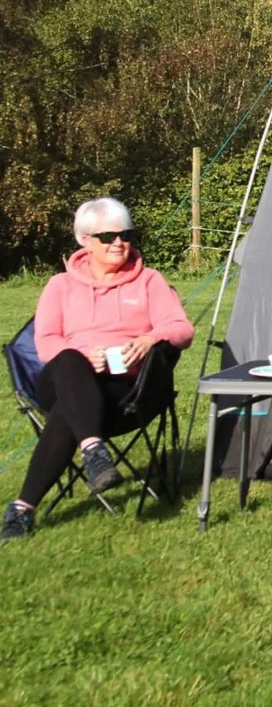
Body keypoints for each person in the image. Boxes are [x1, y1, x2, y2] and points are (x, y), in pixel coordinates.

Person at [2, 197, 194, 542]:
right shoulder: (59, 286)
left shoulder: (149, 281)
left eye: (126, 235)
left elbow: (182, 329)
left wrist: (151, 338)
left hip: (127, 390)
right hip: (64, 377)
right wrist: (86, 356)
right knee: (71, 359)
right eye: (108, 236)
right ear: (85, 240)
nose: (119, 243)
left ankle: (22, 508)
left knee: (66, 413)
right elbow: (45, 342)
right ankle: (94, 451)